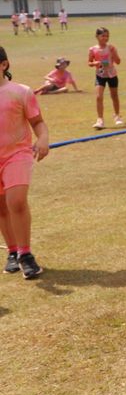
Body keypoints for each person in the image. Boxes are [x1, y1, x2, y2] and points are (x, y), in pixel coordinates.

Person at [0, 47, 49, 280]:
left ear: (4, 65)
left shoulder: (21, 92)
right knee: (1, 207)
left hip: (17, 154)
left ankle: (25, 254)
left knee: (16, 201)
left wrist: (43, 138)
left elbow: (38, 122)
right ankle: (12, 252)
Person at [87, 27, 123, 129]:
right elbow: (89, 62)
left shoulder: (111, 48)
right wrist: (95, 63)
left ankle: (117, 116)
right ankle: (100, 120)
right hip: (100, 75)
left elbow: (118, 61)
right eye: (103, 36)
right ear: (97, 36)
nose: (105, 38)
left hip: (112, 75)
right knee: (99, 96)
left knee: (114, 95)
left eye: (107, 36)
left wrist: (114, 53)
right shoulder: (92, 49)